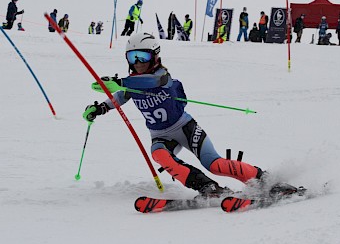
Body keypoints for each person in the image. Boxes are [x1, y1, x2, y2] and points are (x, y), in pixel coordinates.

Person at [83, 33, 266, 197]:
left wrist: (120, 81)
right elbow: (119, 97)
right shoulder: (130, 85)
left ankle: (261, 177)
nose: (138, 62)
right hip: (160, 135)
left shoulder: (162, 76)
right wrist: (99, 108)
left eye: (143, 56)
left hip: (185, 128)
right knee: (159, 154)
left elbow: (152, 82)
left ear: (154, 56)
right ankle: (208, 188)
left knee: (214, 164)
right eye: (133, 57)